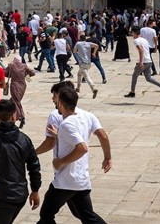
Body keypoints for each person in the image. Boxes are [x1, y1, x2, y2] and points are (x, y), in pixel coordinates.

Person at [36, 87, 108, 224]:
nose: (54, 101)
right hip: (80, 180)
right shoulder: (82, 118)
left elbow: (82, 148)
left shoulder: (66, 124)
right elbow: (99, 137)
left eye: (56, 99)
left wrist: (60, 162)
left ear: (61, 103)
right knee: (86, 216)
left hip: (66, 180)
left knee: (46, 214)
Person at [125, 26, 160, 98]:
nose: (132, 35)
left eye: (132, 33)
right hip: (149, 61)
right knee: (148, 78)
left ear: (134, 33)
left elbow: (141, 50)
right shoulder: (144, 40)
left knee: (134, 76)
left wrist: (141, 62)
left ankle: (132, 92)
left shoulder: (136, 41)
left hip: (144, 61)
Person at [3, 55, 35, 128]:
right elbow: (33, 73)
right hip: (22, 85)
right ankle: (16, 116)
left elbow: (4, 73)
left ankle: (21, 117)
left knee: (15, 101)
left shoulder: (11, 65)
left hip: (14, 84)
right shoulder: (24, 66)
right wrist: (25, 74)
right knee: (15, 100)